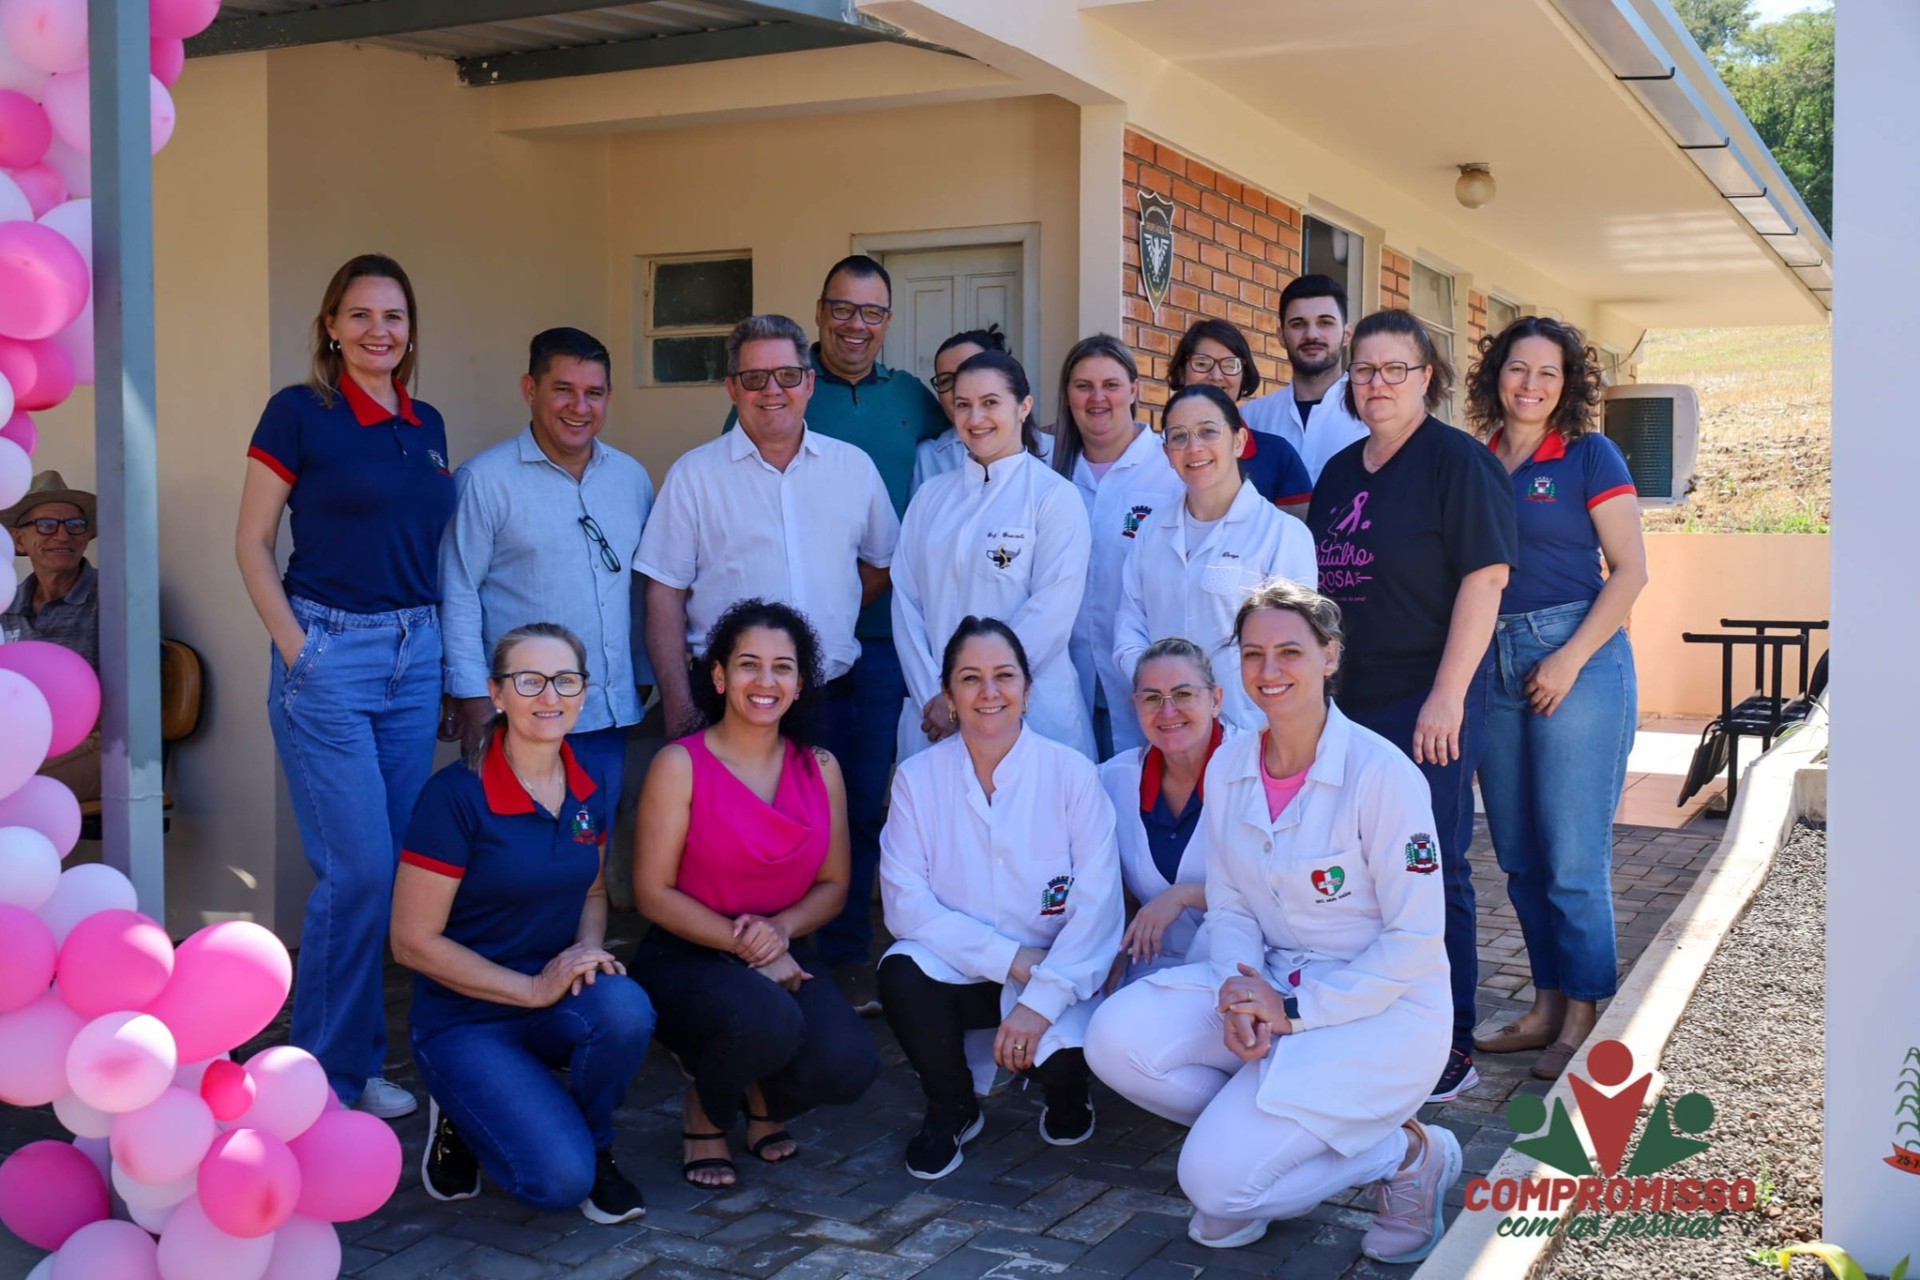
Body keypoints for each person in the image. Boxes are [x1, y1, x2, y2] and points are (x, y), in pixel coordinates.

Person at [1084, 582, 1458, 1263]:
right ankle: (1262, 1135)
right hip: (1272, 981)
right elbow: (1229, 907)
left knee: (1216, 1194)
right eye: (1253, 653)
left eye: (1290, 650)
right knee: (1113, 1038)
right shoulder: (1231, 765)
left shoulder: (1382, 775)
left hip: (1378, 1006)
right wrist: (1236, 993)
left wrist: (1292, 1010)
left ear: (1330, 657)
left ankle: (1405, 1153)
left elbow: (1414, 940)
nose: (1269, 669)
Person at [235, 253, 455, 1119]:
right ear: (331, 326)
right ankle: (317, 1080)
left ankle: (357, 1065)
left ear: (410, 331)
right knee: (357, 870)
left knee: (388, 869)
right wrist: (297, 650)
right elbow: (252, 542)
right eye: (359, 316)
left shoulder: (427, 421)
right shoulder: (300, 412)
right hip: (329, 649)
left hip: (415, 652)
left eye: (393, 317)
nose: (378, 332)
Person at [640, 312, 899, 1014]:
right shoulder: (695, 477)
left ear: (809, 382)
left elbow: (878, 567)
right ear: (731, 387)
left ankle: (841, 962)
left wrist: (829, 622)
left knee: (843, 831)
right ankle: (730, 965)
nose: (772, 391)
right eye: (754, 379)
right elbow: (664, 592)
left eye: (787, 375)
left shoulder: (853, 470)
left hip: (829, 692)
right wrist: (679, 703)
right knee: (729, 845)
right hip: (728, 704)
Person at [721, 258, 947, 1016]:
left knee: (856, 804)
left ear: (888, 321)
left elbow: (973, 447)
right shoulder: (775, 386)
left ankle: (849, 952)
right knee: (773, 806)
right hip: (773, 664)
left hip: (876, 643)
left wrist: (839, 613)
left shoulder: (915, 399)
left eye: (873, 313)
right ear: (820, 313)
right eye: (843, 310)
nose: (856, 325)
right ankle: (774, 947)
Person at [1306, 309, 1519, 1103]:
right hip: (1347, 705)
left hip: (1427, 700)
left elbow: (1485, 580)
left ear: (1427, 376)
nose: (1377, 384)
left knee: (1433, 866)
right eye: (1364, 370)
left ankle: (1449, 1035)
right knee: (1359, 871)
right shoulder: (1336, 473)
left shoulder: (1457, 464)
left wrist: (1446, 698)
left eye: (1396, 369)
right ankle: (1373, 1013)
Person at [392, 622, 654, 1223]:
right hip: (466, 1019)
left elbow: (591, 889)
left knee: (624, 1008)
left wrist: (587, 954)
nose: (549, 696)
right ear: (497, 693)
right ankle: (459, 1107)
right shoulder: (454, 797)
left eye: (565, 680)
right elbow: (411, 942)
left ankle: (598, 1144)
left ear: (584, 692)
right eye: (529, 680)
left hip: (550, 1000)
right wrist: (531, 989)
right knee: (558, 1182)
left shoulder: (586, 791)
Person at [631, 598, 878, 1188]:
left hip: (782, 948)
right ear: (718, 676)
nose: (765, 681)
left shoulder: (821, 767)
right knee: (767, 1020)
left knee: (850, 1065)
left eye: (783, 667)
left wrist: (782, 932)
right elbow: (651, 892)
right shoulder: (679, 764)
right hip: (686, 953)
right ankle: (706, 1109)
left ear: (800, 683)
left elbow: (835, 884)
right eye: (748, 664)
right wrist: (752, 950)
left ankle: (760, 1099)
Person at [1465, 317, 1646, 1081]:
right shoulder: (1475, 461)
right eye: (1518, 369)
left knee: (1574, 855)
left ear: (1568, 384)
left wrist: (1570, 659)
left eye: (1548, 372)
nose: (1530, 384)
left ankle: (1584, 1016)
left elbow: (1631, 570)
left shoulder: (1587, 454)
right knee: (1517, 854)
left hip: (1577, 653)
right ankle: (1544, 1005)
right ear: (1495, 375)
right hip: (1493, 658)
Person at [878, 617, 1122, 1179]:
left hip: (1059, 971)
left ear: (1028, 690)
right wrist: (1010, 961)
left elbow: (1099, 905)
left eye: (1004, 676)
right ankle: (952, 1106)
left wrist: (1040, 1000)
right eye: (970, 678)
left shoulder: (1072, 776)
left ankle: (1067, 1091)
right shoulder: (918, 779)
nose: (989, 692)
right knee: (901, 973)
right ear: (949, 696)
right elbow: (904, 904)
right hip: (967, 969)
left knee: (1060, 1059)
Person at [439, 327, 655, 801]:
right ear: (530, 390)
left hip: (606, 714)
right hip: (516, 717)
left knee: (589, 853)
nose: (580, 407)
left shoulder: (631, 479)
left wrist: (641, 674)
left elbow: (641, 590)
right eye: (563, 390)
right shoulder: (485, 481)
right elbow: (457, 593)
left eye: (593, 393)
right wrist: (474, 696)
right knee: (514, 859)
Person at [893, 350, 1093, 760]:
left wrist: (975, 695)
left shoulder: (1054, 498)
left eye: (990, 403)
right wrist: (940, 696)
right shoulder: (931, 497)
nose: (974, 418)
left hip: (1032, 716)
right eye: (963, 405)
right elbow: (907, 605)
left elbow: (1050, 614)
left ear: (1024, 407)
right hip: (933, 715)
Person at [1114, 385, 1317, 732]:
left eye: (1208, 431)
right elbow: (1130, 624)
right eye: (1179, 436)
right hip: (1167, 733)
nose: (1194, 447)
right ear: (1166, 453)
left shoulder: (1281, 534)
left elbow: (1292, 653)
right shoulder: (1151, 533)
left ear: (1238, 442)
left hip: (1250, 737)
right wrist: (1164, 685)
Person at [1049, 334, 1184, 757]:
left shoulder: (1170, 470)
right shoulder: (1048, 472)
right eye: (1082, 385)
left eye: (1110, 384)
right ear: (1067, 395)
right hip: (1063, 673)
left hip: (1147, 677)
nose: (1097, 398)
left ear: (1134, 389)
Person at [1097, 638, 1228, 990]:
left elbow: (1279, 889)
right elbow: (1112, 891)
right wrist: (1114, 952)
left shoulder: (1254, 771)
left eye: (1183, 695)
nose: (1167, 712)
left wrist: (1184, 894)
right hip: (1153, 969)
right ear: (1135, 705)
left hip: (1246, 968)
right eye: (1152, 698)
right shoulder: (1111, 780)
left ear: (1215, 700)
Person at [3, 470, 101, 801]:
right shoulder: (7, 604)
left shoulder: (115, 597)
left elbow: (141, 689)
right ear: (18, 539)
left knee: (10, 789)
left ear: (86, 536)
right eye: (46, 525)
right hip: (21, 740)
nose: (62, 535)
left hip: (101, 742)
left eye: (75, 525)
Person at [1166, 318, 1314, 517]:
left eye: (1230, 364)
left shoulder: (1277, 455)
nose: (1216, 376)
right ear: (1181, 372)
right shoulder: (1153, 457)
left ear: (1243, 375)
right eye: (1202, 363)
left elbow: (1298, 533)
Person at [1239, 275, 1370, 481]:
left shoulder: (1372, 414)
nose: (1311, 335)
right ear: (1281, 335)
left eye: (1325, 322)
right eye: (1298, 324)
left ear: (1347, 334)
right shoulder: (1252, 418)